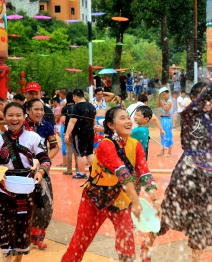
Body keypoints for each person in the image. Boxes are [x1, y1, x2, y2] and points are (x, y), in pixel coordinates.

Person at [144, 66, 212, 262]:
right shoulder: (189, 114)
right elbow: (204, 100)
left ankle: (196, 259)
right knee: (168, 212)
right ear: (196, 99)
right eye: (206, 98)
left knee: (203, 219)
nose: (210, 102)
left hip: (208, 177)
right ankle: (146, 249)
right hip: (187, 173)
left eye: (211, 99)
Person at [61, 107, 161, 262]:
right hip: (94, 201)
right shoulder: (105, 145)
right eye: (122, 118)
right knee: (79, 244)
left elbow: (144, 173)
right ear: (111, 124)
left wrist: (155, 199)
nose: (128, 121)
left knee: (127, 247)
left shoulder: (136, 145)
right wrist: (135, 202)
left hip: (121, 200)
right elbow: (122, 173)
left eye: (128, 117)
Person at [0, 102, 51, 261]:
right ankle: (7, 258)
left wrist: (40, 172)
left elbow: (45, 159)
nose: (14, 118)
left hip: (27, 188)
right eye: (10, 115)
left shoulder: (33, 137)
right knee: (6, 226)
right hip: (5, 188)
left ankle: (18, 259)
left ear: (24, 116)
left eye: (18, 115)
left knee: (23, 227)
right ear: (4, 117)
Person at [24, 99, 59, 250]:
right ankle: (22, 237)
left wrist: (42, 161)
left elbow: (54, 147)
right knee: (24, 203)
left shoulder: (47, 126)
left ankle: (37, 236)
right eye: (36, 109)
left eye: (42, 109)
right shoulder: (20, 125)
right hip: (22, 170)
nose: (39, 112)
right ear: (27, 111)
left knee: (45, 203)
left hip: (42, 169)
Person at [64, 89, 96, 179]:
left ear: (75, 96)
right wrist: (94, 129)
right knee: (90, 152)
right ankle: (94, 171)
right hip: (90, 131)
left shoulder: (77, 107)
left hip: (80, 132)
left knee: (80, 153)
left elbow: (72, 121)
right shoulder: (91, 106)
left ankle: (81, 173)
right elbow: (94, 120)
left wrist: (67, 134)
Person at [60, 92, 78, 175]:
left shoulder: (65, 108)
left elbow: (63, 120)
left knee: (69, 151)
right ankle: (78, 169)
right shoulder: (77, 107)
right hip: (77, 131)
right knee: (77, 151)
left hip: (68, 131)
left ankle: (69, 170)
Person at [156, 87, 173, 157]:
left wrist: (162, 104)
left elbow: (166, 110)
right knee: (162, 135)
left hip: (167, 119)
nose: (164, 96)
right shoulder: (164, 101)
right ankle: (162, 151)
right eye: (163, 95)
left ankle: (169, 153)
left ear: (168, 93)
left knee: (168, 135)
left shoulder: (169, 101)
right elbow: (157, 105)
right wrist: (159, 97)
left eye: (165, 94)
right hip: (163, 119)